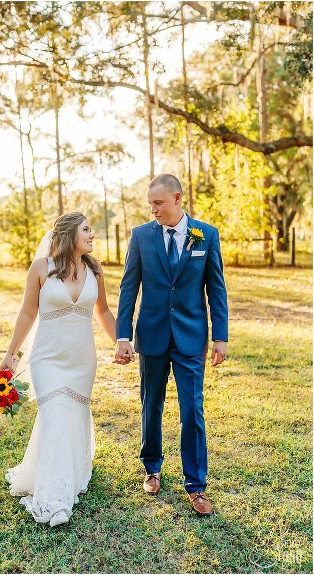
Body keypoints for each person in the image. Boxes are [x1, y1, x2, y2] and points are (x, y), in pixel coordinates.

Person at [115, 174, 228, 517]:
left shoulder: (205, 235)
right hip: (151, 335)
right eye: (150, 204)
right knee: (152, 403)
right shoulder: (141, 236)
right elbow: (128, 287)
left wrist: (220, 336)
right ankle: (152, 467)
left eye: (158, 203)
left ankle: (196, 485)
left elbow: (216, 288)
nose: (153, 210)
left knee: (192, 409)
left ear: (177, 199)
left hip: (191, 336)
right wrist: (123, 335)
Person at [1, 212, 121, 526]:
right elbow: (28, 313)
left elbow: (104, 311)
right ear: (69, 234)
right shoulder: (41, 268)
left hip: (82, 360)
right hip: (48, 358)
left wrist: (122, 340)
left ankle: (72, 471)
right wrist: (11, 355)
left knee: (71, 417)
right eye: (87, 230)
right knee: (55, 416)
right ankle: (54, 499)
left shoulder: (95, 270)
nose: (92, 235)